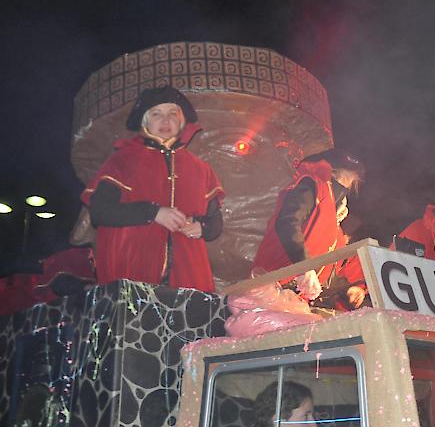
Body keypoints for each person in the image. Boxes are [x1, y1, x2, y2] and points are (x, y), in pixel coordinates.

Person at [81, 86, 225, 292]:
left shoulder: (201, 169)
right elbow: (100, 212)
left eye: (172, 114)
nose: (165, 121)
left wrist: (202, 227)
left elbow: (215, 223)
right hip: (132, 273)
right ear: (145, 121)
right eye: (157, 114)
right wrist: (153, 212)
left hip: (189, 277)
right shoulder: (122, 160)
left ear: (181, 120)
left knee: (189, 322)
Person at [252, 148, 365, 302]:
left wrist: (347, 289)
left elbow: (327, 271)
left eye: (349, 183)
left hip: (293, 298)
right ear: (331, 174)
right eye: (342, 179)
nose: (344, 186)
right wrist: (303, 266)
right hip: (270, 282)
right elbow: (288, 222)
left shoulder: (335, 227)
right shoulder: (312, 186)